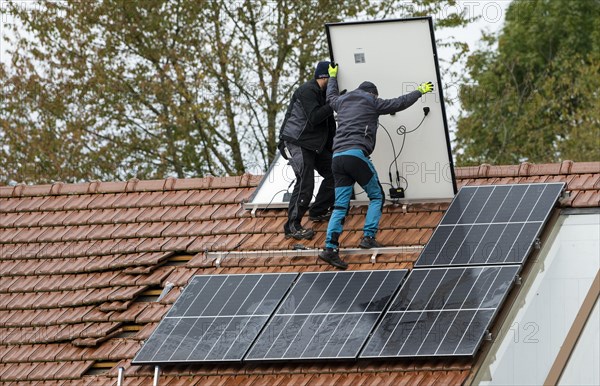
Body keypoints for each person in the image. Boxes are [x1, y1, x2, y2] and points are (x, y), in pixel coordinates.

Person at [318, 63, 434, 269]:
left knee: (339, 206)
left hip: (337, 158)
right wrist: (419, 91)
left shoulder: (342, 101)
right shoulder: (372, 101)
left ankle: (330, 248)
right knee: (377, 196)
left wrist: (333, 77)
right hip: (356, 155)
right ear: (373, 93)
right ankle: (368, 237)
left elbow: (330, 96)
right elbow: (399, 103)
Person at [278, 61, 337, 240]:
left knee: (335, 170)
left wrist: (334, 150)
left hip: (313, 145)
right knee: (305, 180)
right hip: (295, 142)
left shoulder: (325, 96)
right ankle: (292, 226)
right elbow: (314, 118)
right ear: (325, 77)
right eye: (333, 79)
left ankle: (318, 211)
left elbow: (329, 127)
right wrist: (334, 103)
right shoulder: (307, 90)